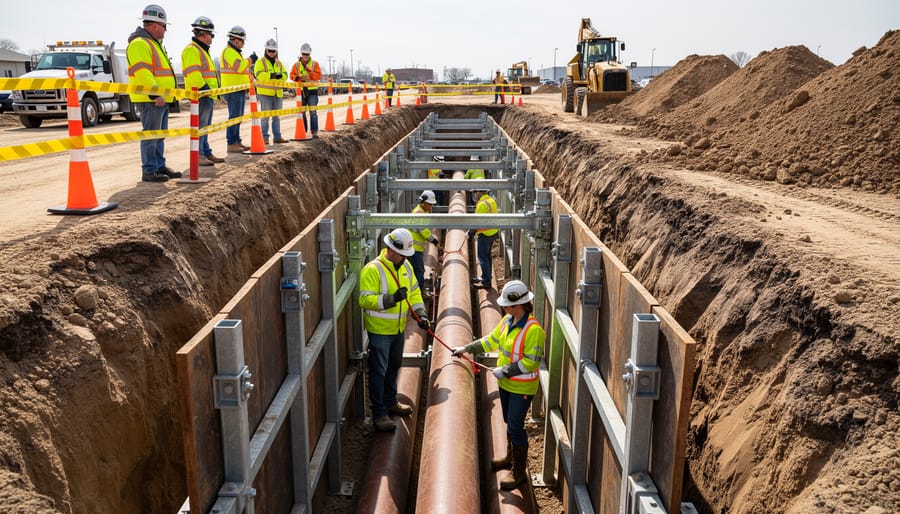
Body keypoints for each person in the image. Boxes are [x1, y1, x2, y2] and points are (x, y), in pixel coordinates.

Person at [451, 280, 545, 490]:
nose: (503, 307)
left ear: (518, 305)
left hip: (522, 387)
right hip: (506, 385)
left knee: (515, 425)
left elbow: (532, 361)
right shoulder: (507, 321)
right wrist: (466, 348)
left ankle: (519, 471)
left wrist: (506, 370)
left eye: (506, 305)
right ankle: (510, 458)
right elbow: (490, 340)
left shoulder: (534, 330)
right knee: (507, 421)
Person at [359, 228, 430, 432]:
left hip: (398, 329)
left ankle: (391, 402)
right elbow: (364, 299)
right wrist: (391, 299)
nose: (404, 258)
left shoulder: (405, 266)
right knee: (379, 371)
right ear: (390, 249)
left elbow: (414, 292)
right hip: (380, 331)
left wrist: (421, 315)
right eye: (402, 254)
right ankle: (379, 413)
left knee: (394, 366)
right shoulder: (373, 270)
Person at [127, 4, 181, 182]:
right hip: (151, 99)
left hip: (161, 98)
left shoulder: (154, 44)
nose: (165, 31)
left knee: (159, 134)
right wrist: (154, 94)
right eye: (165, 27)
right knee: (151, 134)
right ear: (155, 25)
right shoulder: (140, 44)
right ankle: (149, 170)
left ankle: (159, 166)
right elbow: (143, 73)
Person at [181, 16, 224, 167]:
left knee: (205, 125)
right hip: (201, 94)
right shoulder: (192, 50)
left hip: (206, 94)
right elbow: (194, 75)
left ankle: (205, 151)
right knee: (200, 125)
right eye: (211, 35)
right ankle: (199, 155)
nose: (212, 38)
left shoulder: (202, 50)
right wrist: (205, 90)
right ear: (204, 34)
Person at [221, 26, 250, 153]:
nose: (243, 44)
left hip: (238, 88)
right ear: (237, 40)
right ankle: (231, 143)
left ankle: (236, 141)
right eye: (243, 41)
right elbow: (239, 68)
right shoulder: (229, 52)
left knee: (238, 116)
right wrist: (250, 60)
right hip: (233, 89)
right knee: (234, 116)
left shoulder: (235, 52)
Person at [254, 39, 288, 144]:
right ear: (266, 50)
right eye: (270, 51)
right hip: (265, 93)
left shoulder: (279, 63)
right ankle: (264, 137)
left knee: (276, 116)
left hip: (277, 93)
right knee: (265, 116)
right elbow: (258, 74)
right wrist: (272, 75)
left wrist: (280, 76)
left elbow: (285, 75)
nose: (272, 53)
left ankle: (277, 136)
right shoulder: (261, 61)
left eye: (274, 51)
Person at [409, 190, 441, 291]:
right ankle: (418, 292)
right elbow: (423, 231)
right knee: (419, 271)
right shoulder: (418, 213)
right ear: (424, 203)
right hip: (414, 249)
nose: (431, 207)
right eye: (430, 204)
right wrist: (434, 241)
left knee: (416, 271)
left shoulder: (422, 211)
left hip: (416, 248)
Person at [289, 43, 322, 138]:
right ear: (301, 53)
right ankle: (303, 131)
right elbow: (291, 75)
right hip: (301, 92)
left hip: (312, 92)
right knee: (302, 112)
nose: (305, 56)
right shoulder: (296, 65)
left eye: (307, 54)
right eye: (304, 54)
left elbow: (318, 75)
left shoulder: (315, 64)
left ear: (310, 54)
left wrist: (309, 73)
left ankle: (314, 132)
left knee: (313, 112)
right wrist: (298, 78)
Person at [472, 182, 498, 289]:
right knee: (487, 257)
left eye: (475, 192)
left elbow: (478, 222)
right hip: (493, 233)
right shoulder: (491, 201)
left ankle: (486, 281)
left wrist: (471, 231)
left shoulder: (482, 204)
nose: (474, 194)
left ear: (481, 192)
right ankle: (486, 276)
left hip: (485, 234)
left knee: (482, 258)